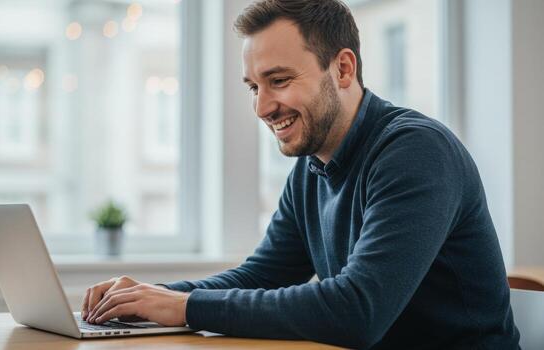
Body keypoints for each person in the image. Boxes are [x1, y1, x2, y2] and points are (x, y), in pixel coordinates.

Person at [81, 0, 520, 348]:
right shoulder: (313, 165)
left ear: (343, 68)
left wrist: (187, 306)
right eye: (255, 86)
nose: (262, 107)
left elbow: (357, 312)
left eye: (279, 80)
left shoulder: (415, 151)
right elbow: (260, 275)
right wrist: (149, 298)